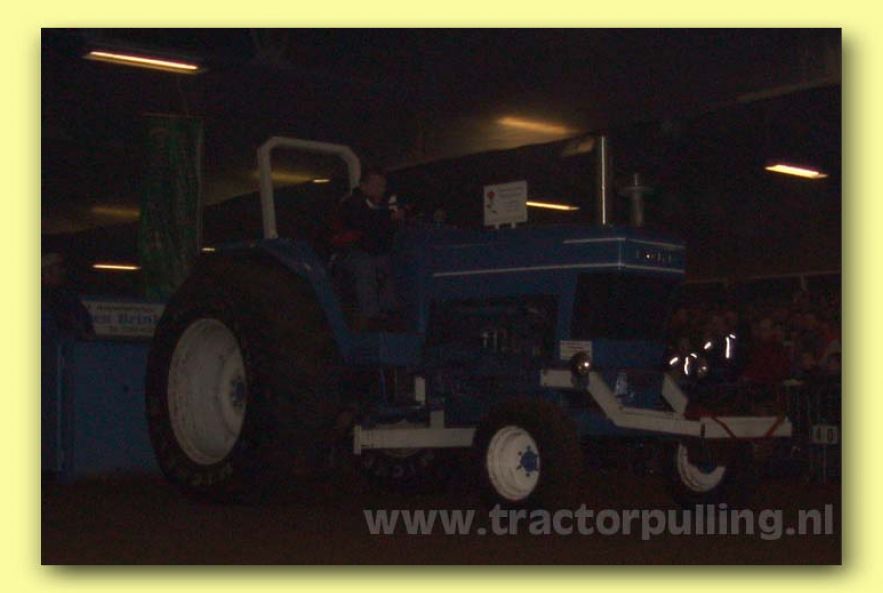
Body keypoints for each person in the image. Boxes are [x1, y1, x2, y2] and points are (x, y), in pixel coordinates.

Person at [331, 168, 405, 328]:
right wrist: (389, 218)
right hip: (349, 253)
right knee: (365, 264)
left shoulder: (387, 205)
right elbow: (363, 221)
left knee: (396, 262)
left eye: (382, 185)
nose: (380, 189)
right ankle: (371, 316)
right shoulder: (352, 202)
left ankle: (392, 312)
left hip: (377, 253)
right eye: (376, 184)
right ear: (363, 186)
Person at [42, 252, 94, 337]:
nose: (63, 272)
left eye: (63, 268)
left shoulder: (69, 298)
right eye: (59, 268)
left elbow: (85, 326)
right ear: (46, 272)